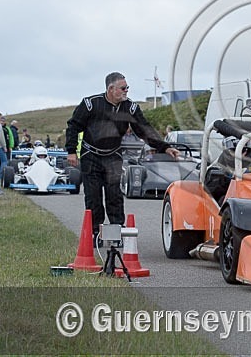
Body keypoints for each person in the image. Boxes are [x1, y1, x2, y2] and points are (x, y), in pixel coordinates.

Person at [65, 72, 180, 239]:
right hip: (91, 155)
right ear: (111, 89)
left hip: (113, 155)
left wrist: (165, 147)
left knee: (114, 195)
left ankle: (116, 230)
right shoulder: (90, 104)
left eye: (127, 88)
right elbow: (73, 126)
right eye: (123, 88)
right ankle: (95, 232)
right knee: (93, 196)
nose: (127, 91)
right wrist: (71, 151)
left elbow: (144, 129)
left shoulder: (130, 108)